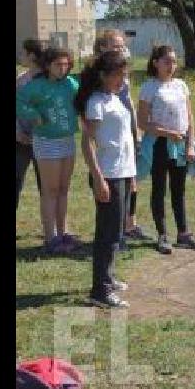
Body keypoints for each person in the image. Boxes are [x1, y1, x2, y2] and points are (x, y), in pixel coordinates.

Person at [75, 50, 134, 308]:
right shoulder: (96, 101)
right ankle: (100, 290)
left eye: (125, 73)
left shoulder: (114, 98)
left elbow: (124, 139)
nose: (123, 79)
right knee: (107, 234)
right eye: (118, 74)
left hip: (121, 172)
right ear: (103, 75)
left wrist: (131, 176)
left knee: (116, 232)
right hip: (107, 174)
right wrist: (98, 178)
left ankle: (108, 277)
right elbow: (87, 143)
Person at [137, 45, 195, 254]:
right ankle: (162, 235)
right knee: (159, 189)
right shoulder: (149, 87)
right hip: (159, 145)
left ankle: (183, 234)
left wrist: (190, 143)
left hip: (181, 145)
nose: (171, 65)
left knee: (179, 190)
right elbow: (142, 122)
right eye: (167, 61)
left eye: (174, 61)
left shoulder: (181, 85)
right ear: (155, 62)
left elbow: (189, 117)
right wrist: (167, 133)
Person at [16, 47, 82, 255]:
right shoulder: (36, 86)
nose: (62, 69)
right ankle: (50, 237)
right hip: (46, 141)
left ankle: (63, 232)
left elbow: (82, 100)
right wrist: (33, 115)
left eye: (66, 65)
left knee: (63, 189)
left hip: (67, 140)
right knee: (50, 190)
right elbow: (19, 102)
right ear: (47, 65)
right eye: (58, 65)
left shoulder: (70, 84)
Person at [91, 30, 152, 250]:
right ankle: (115, 233)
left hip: (127, 128)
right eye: (113, 45)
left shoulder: (122, 73)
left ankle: (129, 224)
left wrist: (136, 130)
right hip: (111, 133)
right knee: (115, 188)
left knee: (132, 182)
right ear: (102, 47)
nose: (118, 49)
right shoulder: (100, 75)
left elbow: (129, 103)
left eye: (121, 46)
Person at [16, 39, 43, 215]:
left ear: (31, 55)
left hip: (44, 140)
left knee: (47, 184)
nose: (20, 56)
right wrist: (17, 132)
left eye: (22, 53)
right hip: (20, 140)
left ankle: (52, 227)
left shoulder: (48, 80)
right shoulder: (20, 80)